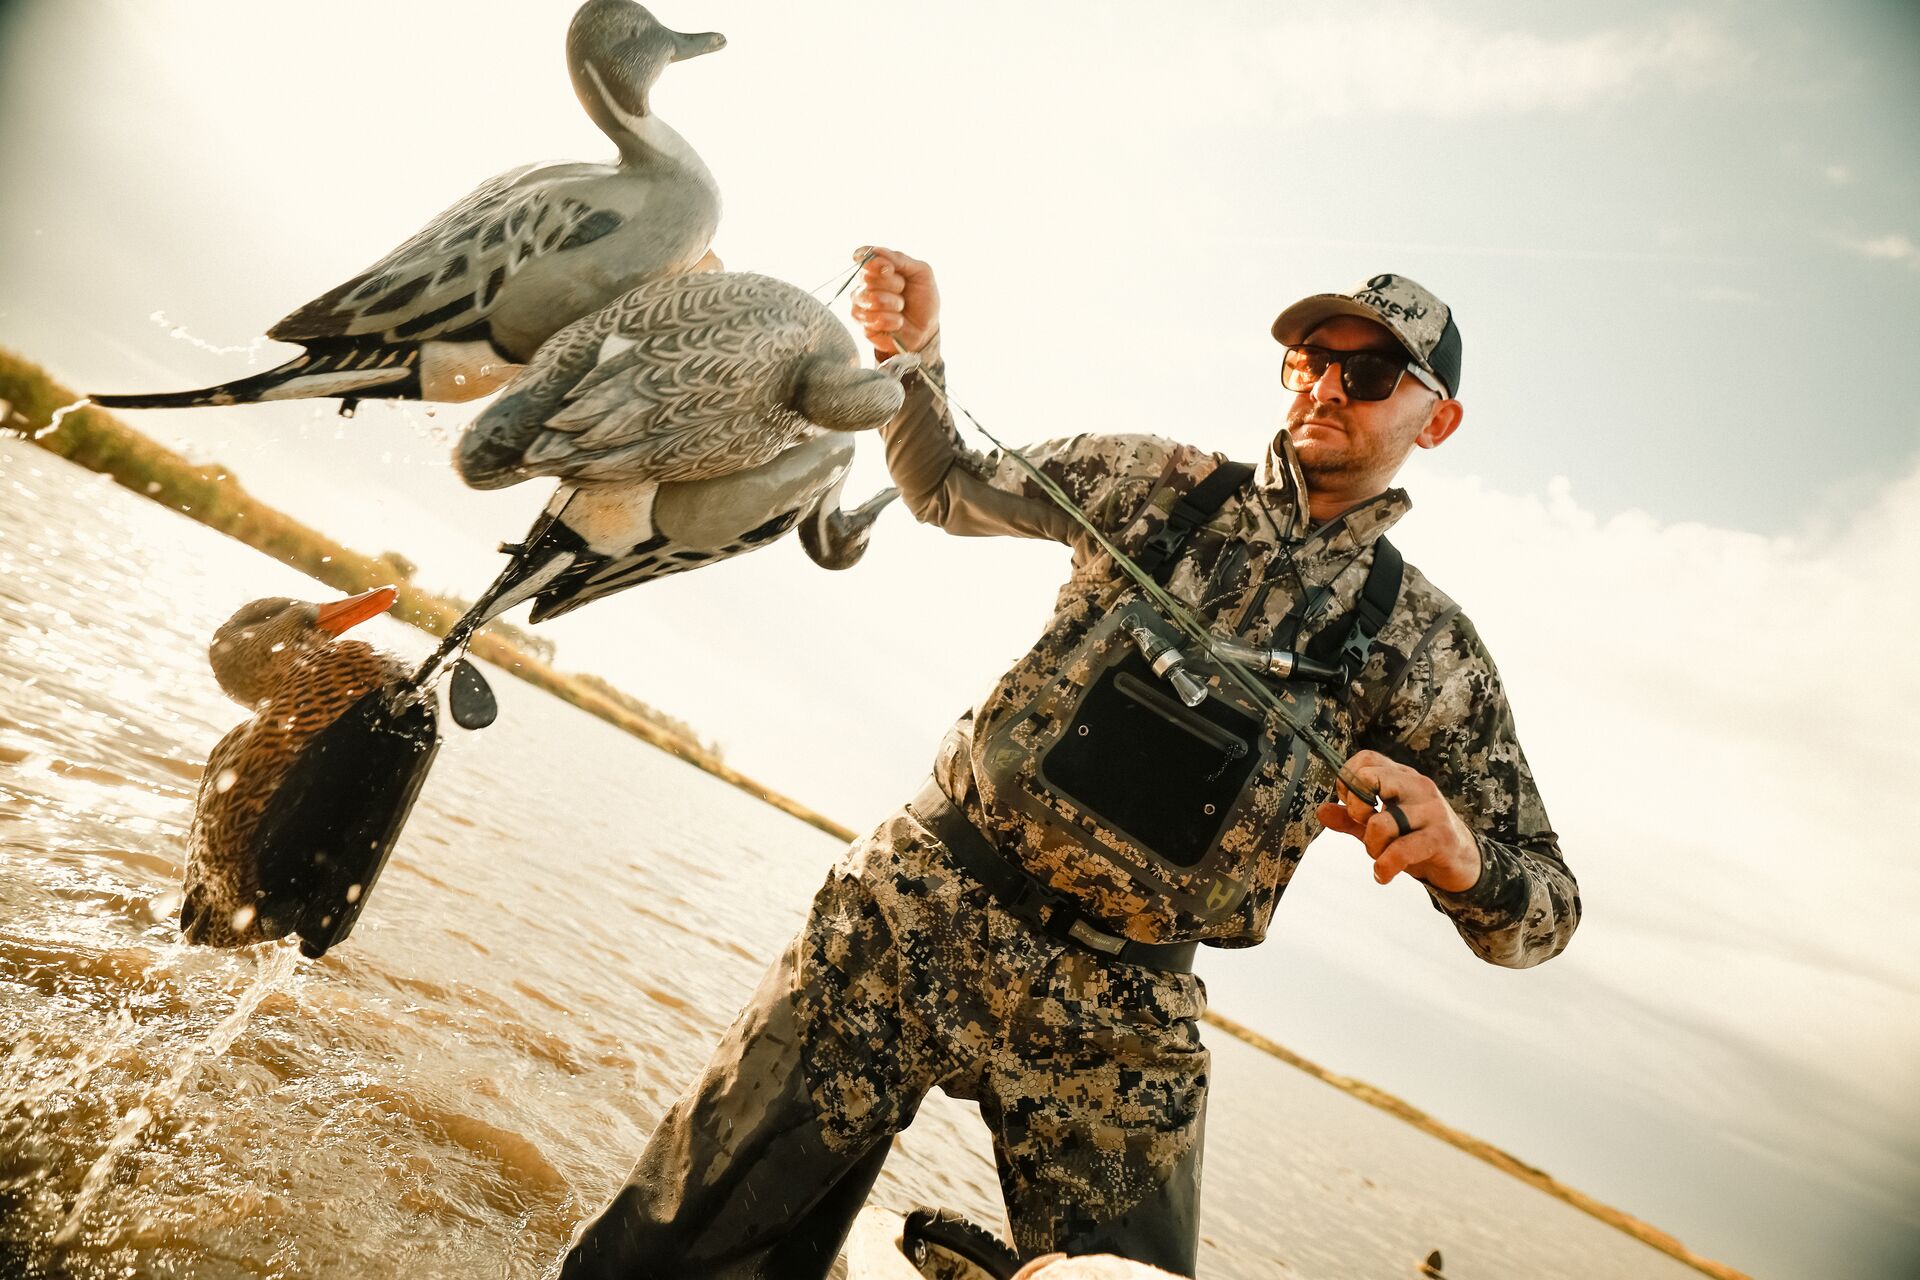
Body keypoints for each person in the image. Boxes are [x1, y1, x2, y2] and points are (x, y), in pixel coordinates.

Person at [557, 249, 1580, 1278]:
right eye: (1311, 361)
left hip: (1121, 1020)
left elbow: (1545, 911)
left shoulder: (1426, 645)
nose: (1326, 387)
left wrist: (1462, 858)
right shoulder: (1156, 480)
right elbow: (946, 485)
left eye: (1369, 374)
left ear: (1436, 420)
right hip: (912, 913)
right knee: (665, 1254)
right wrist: (918, 355)